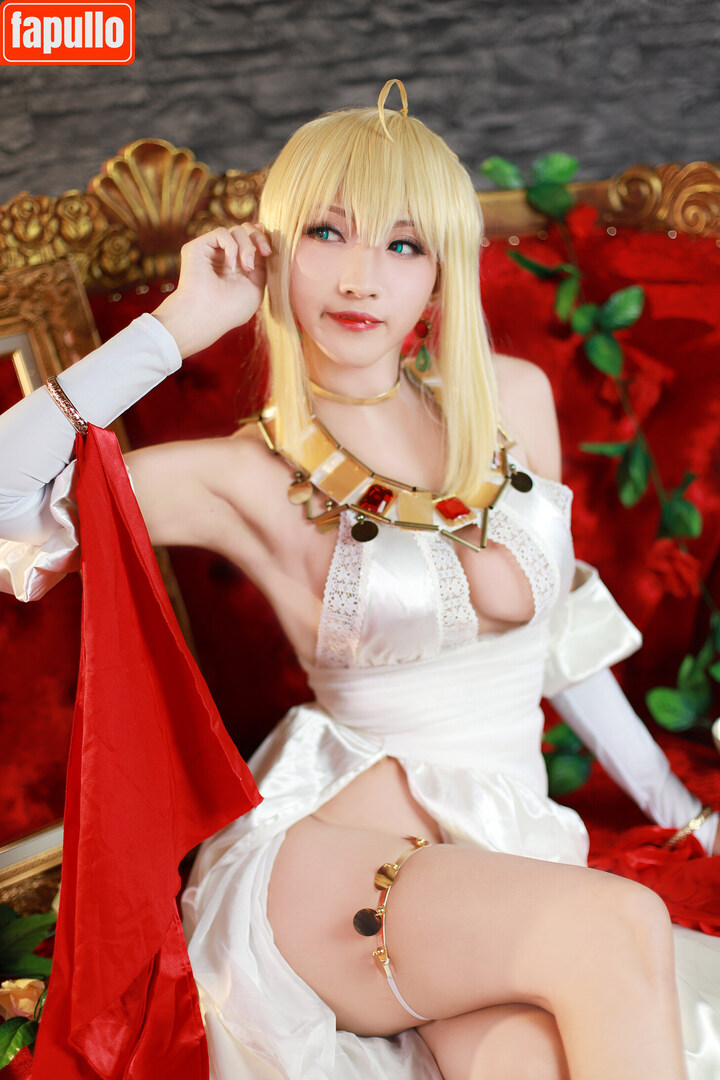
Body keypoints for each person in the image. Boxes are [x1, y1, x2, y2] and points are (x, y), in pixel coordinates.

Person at [1, 80, 719, 1080]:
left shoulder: (514, 403)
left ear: (442, 269)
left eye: (402, 244)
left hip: (508, 847)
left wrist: (677, 806)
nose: (360, 278)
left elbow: (555, 636)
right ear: (276, 249)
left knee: (536, 1057)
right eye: (326, 233)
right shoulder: (243, 475)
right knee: (620, 924)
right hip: (331, 854)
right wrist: (176, 326)